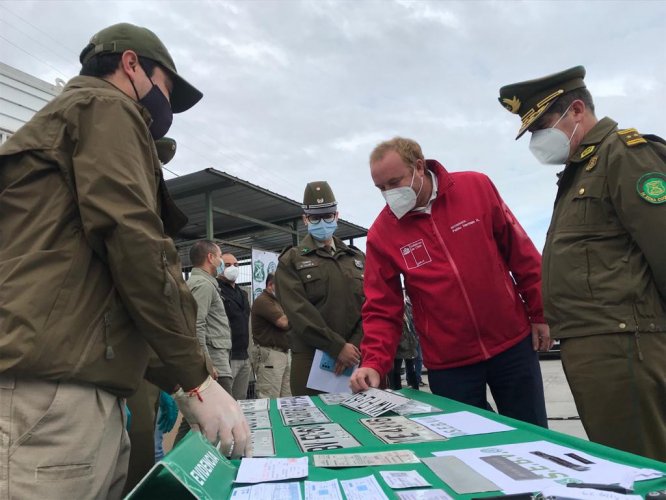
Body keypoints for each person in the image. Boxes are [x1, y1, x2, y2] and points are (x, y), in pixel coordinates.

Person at [0, 22, 250, 498]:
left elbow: (115, 279)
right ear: (130, 64)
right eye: (165, 90)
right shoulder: (105, 106)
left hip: (67, 389)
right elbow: (134, 242)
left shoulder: (74, 119)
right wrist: (195, 378)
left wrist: (176, 381)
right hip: (53, 396)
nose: (164, 109)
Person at [498, 66, 666, 460]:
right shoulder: (581, 172)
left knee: (642, 463)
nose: (539, 139)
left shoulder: (625, 155)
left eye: (542, 125)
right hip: (596, 345)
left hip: (624, 342)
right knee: (621, 459)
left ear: (576, 111)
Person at [351, 137, 550, 428]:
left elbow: (521, 253)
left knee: (533, 434)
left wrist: (540, 312)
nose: (388, 194)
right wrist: (374, 362)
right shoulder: (383, 233)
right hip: (450, 363)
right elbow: (382, 307)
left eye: (394, 183)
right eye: (381, 188)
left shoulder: (476, 188)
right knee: (472, 446)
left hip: (511, 344)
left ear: (419, 167)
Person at [275, 181, 365, 396]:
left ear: (336, 215)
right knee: (313, 422)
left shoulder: (356, 258)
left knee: (358, 421)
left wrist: (352, 347)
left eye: (328, 215)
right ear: (305, 219)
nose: (322, 221)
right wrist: (336, 347)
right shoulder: (292, 260)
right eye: (315, 217)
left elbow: (370, 305)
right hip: (311, 358)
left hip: (357, 355)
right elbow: (298, 312)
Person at [174, 240, 233, 445]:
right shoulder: (203, 285)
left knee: (202, 418)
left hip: (215, 358)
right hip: (213, 363)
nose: (222, 262)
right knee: (204, 418)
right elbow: (196, 325)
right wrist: (207, 362)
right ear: (210, 258)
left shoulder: (204, 283)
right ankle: (176, 466)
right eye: (220, 257)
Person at [251, 273, 292, 398]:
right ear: (270, 285)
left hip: (284, 353)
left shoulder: (278, 301)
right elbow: (283, 322)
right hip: (270, 354)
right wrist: (298, 314)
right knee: (269, 398)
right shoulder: (264, 301)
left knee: (287, 398)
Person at [218, 252, 252, 400]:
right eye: (227, 265)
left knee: (241, 399)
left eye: (236, 265)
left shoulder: (242, 293)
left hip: (244, 354)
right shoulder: (216, 290)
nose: (233, 268)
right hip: (227, 356)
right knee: (225, 400)